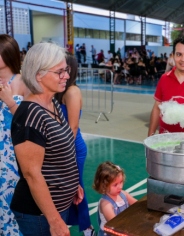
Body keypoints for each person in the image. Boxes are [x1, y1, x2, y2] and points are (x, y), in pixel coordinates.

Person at [10, 42, 82, 236]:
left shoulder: (52, 104)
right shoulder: (30, 115)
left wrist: (71, 182)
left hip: (58, 205)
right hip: (40, 214)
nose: (66, 75)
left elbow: (60, 150)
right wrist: (54, 220)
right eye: (59, 71)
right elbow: (32, 174)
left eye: (66, 70)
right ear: (38, 74)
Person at [54, 52, 94, 236]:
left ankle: (87, 227)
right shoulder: (59, 89)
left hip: (72, 147)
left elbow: (73, 127)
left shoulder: (72, 91)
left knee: (76, 187)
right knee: (66, 188)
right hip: (63, 145)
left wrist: (63, 151)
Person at [0, 34, 28, 236]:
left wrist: (10, 101)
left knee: (9, 200)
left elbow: (29, 121)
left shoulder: (21, 81)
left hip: (12, 152)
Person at [93, 161, 137, 236]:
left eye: (121, 182)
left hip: (124, 228)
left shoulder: (123, 194)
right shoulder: (106, 204)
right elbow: (115, 224)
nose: (120, 186)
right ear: (104, 186)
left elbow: (137, 204)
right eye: (115, 184)